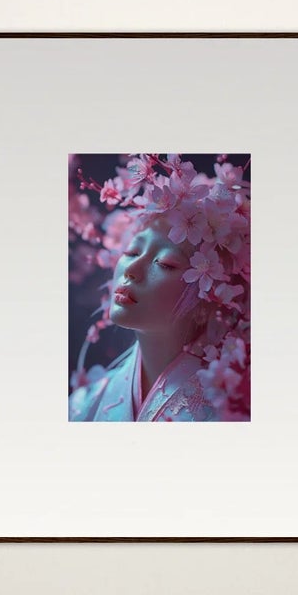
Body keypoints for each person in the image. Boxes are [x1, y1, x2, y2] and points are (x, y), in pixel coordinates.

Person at [69, 154, 251, 423]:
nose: (132, 270)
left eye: (164, 263)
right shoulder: (82, 405)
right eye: (131, 251)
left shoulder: (228, 410)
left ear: (206, 302)